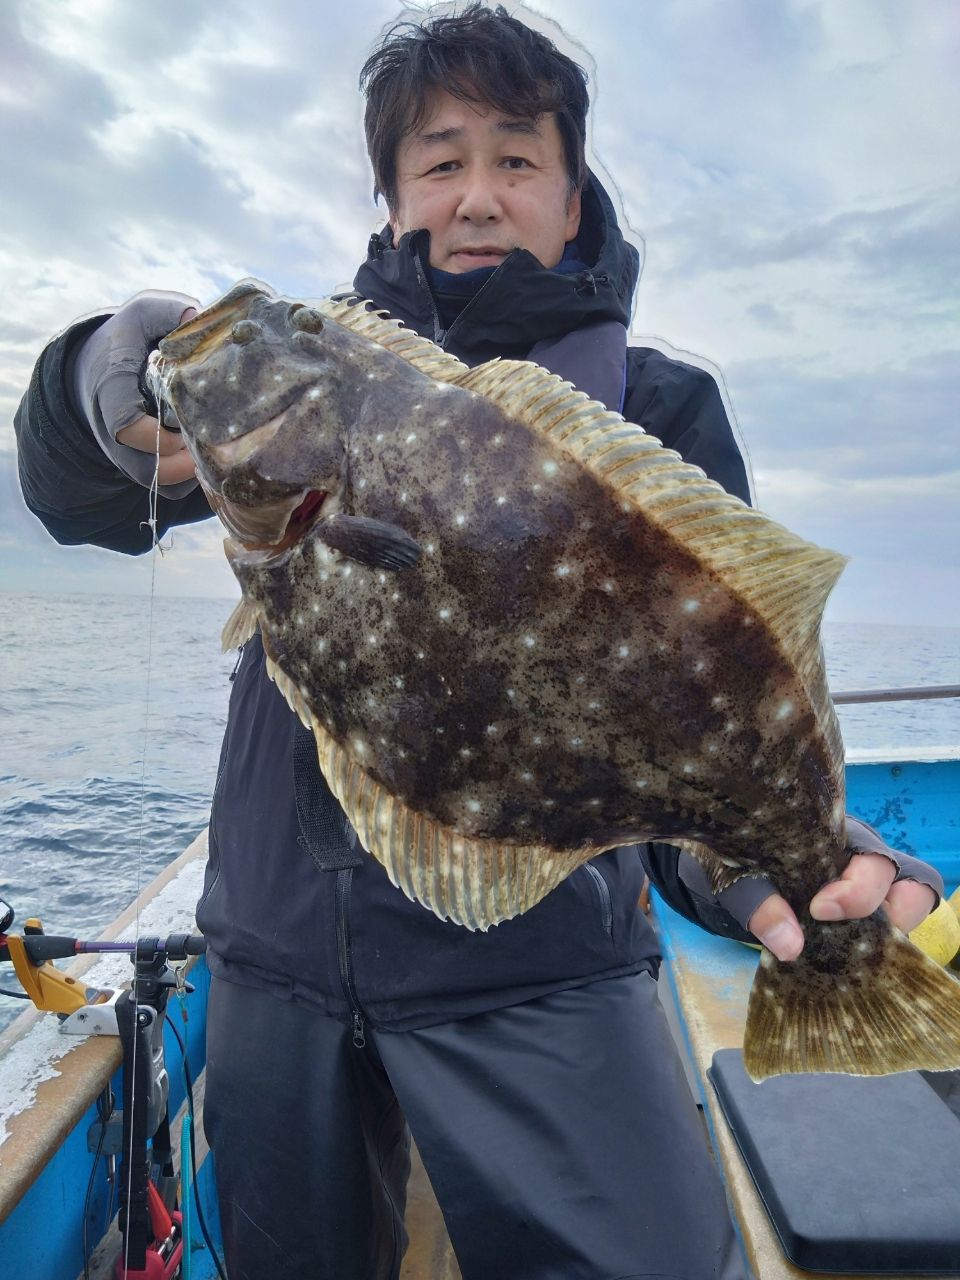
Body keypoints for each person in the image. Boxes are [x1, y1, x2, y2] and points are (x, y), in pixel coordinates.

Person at [13, 7, 943, 1279]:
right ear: (394, 200)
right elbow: (72, 494)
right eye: (439, 162)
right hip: (276, 962)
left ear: (573, 192)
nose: (478, 196)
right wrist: (91, 377)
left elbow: (708, 692)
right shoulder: (311, 372)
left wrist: (764, 857)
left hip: (540, 973)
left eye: (517, 158)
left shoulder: (661, 407)